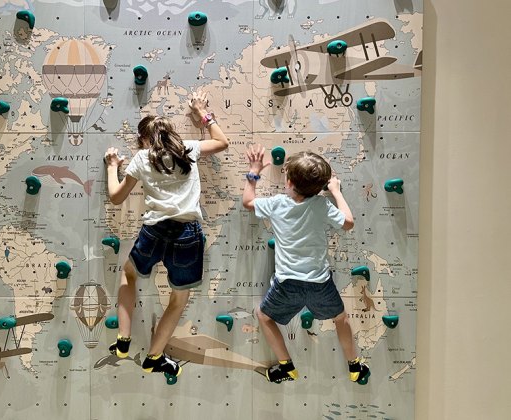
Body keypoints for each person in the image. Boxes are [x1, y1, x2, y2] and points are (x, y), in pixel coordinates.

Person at [103, 90, 229, 378]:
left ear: (144, 139)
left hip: (155, 231)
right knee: (177, 301)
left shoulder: (141, 157)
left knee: (128, 274)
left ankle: (123, 340)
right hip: (188, 235)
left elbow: (116, 197)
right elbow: (223, 142)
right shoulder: (188, 149)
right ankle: (154, 357)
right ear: (170, 134)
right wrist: (202, 113)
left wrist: (113, 167)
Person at [242, 144, 370, 384]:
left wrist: (254, 171)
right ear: (320, 187)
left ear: (289, 182)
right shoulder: (321, 205)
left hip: (287, 284)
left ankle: (286, 366)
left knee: (263, 316)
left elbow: (248, 202)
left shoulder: (277, 204)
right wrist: (336, 191)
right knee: (340, 318)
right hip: (319, 284)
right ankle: (355, 366)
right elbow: (349, 222)